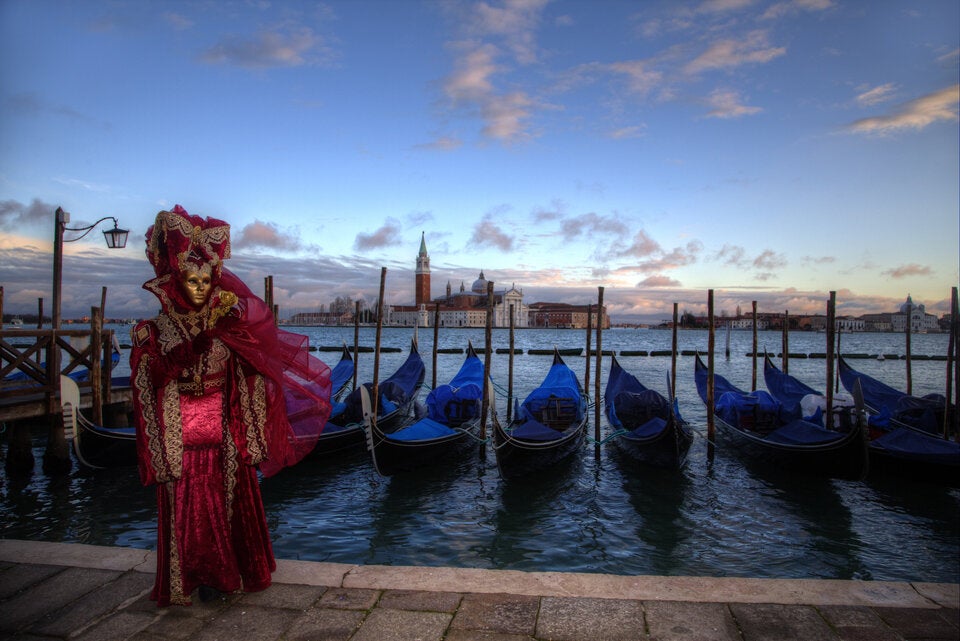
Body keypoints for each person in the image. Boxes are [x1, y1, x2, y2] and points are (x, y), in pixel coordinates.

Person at [131, 205, 331, 606]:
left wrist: (239, 346)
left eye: (208, 279)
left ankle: (229, 576)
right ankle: (188, 580)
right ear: (174, 282)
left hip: (225, 434)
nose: (201, 286)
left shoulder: (228, 326)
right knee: (186, 512)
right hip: (178, 439)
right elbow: (147, 381)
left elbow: (253, 374)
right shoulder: (151, 332)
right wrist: (190, 349)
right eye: (192, 279)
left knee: (227, 507)